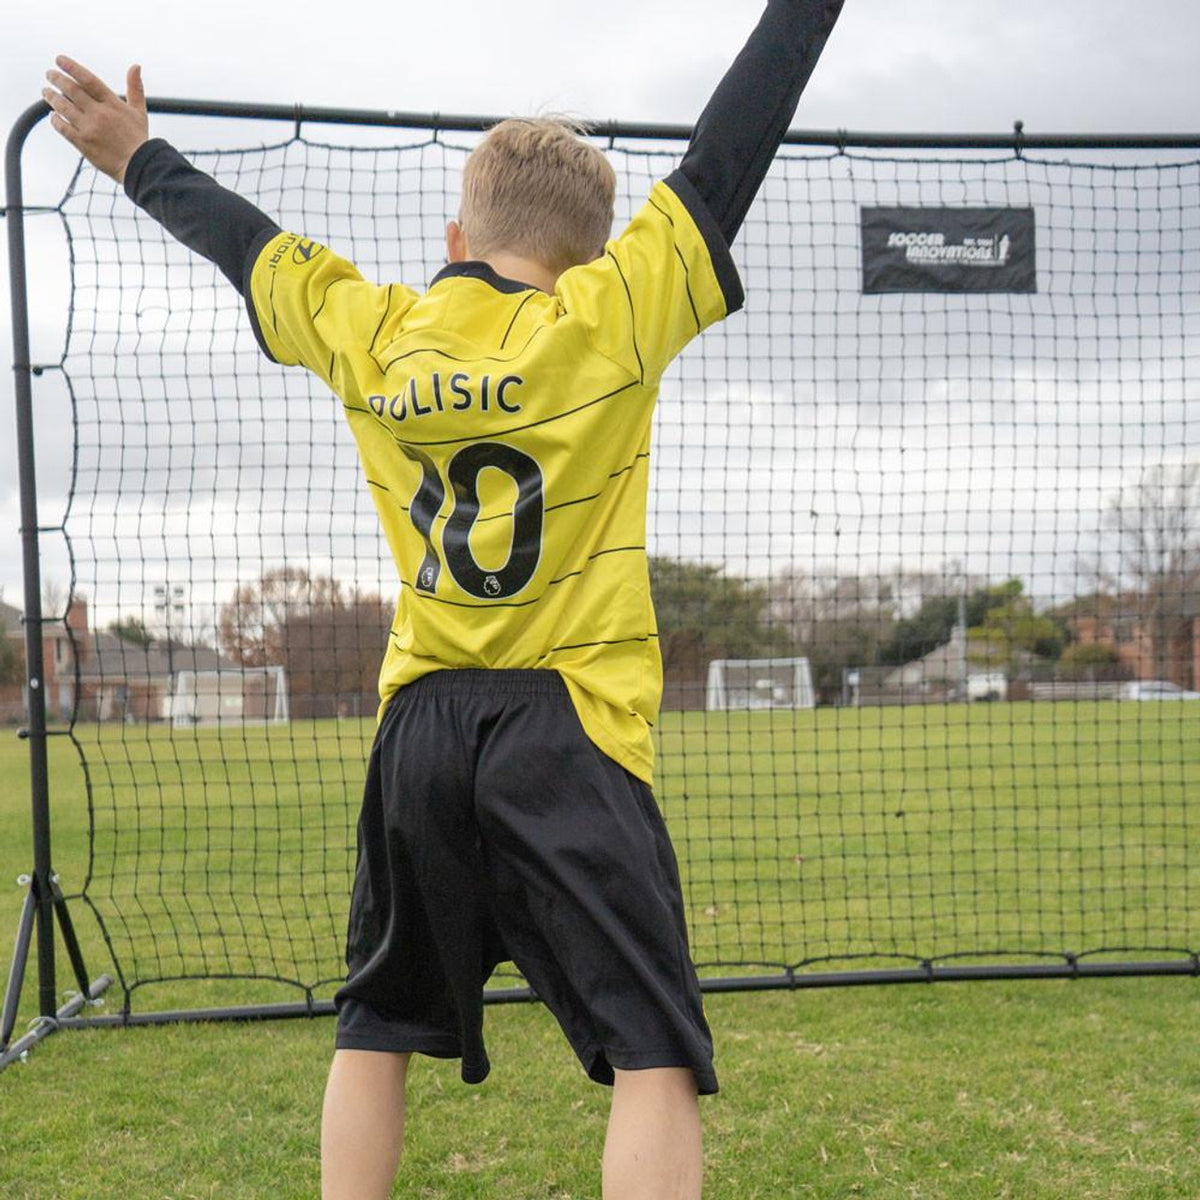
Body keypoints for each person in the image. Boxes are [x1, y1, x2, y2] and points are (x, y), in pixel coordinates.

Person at [43, 3, 845, 1196]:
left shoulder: (380, 330)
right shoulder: (612, 313)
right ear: (593, 248)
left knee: (376, 1026)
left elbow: (248, 244)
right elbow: (729, 150)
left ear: (457, 227)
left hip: (419, 727)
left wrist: (134, 156)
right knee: (654, 1052)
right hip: (571, 728)